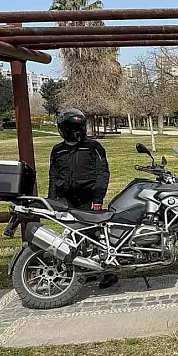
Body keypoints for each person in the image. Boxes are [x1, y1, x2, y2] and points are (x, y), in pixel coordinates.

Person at [48, 108, 117, 289]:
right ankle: (80, 271)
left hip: (90, 199)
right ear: (63, 129)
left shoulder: (94, 147)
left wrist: (98, 199)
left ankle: (106, 272)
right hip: (67, 200)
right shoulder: (57, 150)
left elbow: (103, 173)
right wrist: (51, 200)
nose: (74, 131)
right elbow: (53, 176)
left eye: (78, 127)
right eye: (70, 127)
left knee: (96, 236)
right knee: (72, 237)